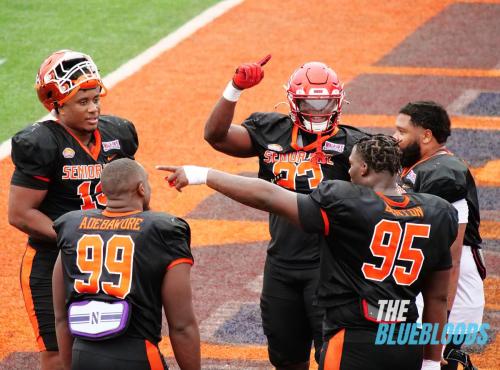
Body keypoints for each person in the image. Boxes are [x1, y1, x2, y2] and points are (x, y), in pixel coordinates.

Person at [158, 134, 459, 370]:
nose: (349, 171)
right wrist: (432, 359)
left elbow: (268, 195)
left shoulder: (346, 202)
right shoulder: (437, 211)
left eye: (352, 164)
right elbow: (438, 297)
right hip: (406, 342)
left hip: (354, 340)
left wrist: (203, 174)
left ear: (365, 168)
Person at [203, 55, 369, 369]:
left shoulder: (354, 145)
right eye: (309, 103)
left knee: (332, 359)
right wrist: (234, 89)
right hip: (281, 263)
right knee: (285, 358)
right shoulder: (271, 130)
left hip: (332, 267)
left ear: (339, 102)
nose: (318, 112)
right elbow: (216, 136)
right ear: (293, 102)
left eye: (325, 104)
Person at [8, 50, 139, 369]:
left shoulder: (118, 134)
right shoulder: (40, 143)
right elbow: (21, 213)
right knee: (58, 354)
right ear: (57, 103)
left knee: (117, 345)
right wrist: (79, 235)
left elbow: (134, 195)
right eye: (83, 102)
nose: (93, 108)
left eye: (96, 99)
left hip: (109, 257)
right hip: (54, 259)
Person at [52, 158, 200, 370]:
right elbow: (182, 326)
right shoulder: (163, 230)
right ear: (141, 188)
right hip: (137, 355)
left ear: (103, 190)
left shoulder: (72, 226)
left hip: (82, 355)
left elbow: (61, 318)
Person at [393, 101, 485, 370]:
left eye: (402, 131)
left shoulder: (444, 174)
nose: (395, 138)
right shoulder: (421, 164)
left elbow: (451, 259)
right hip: (428, 280)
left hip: (447, 289)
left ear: (426, 135)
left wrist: (439, 323)